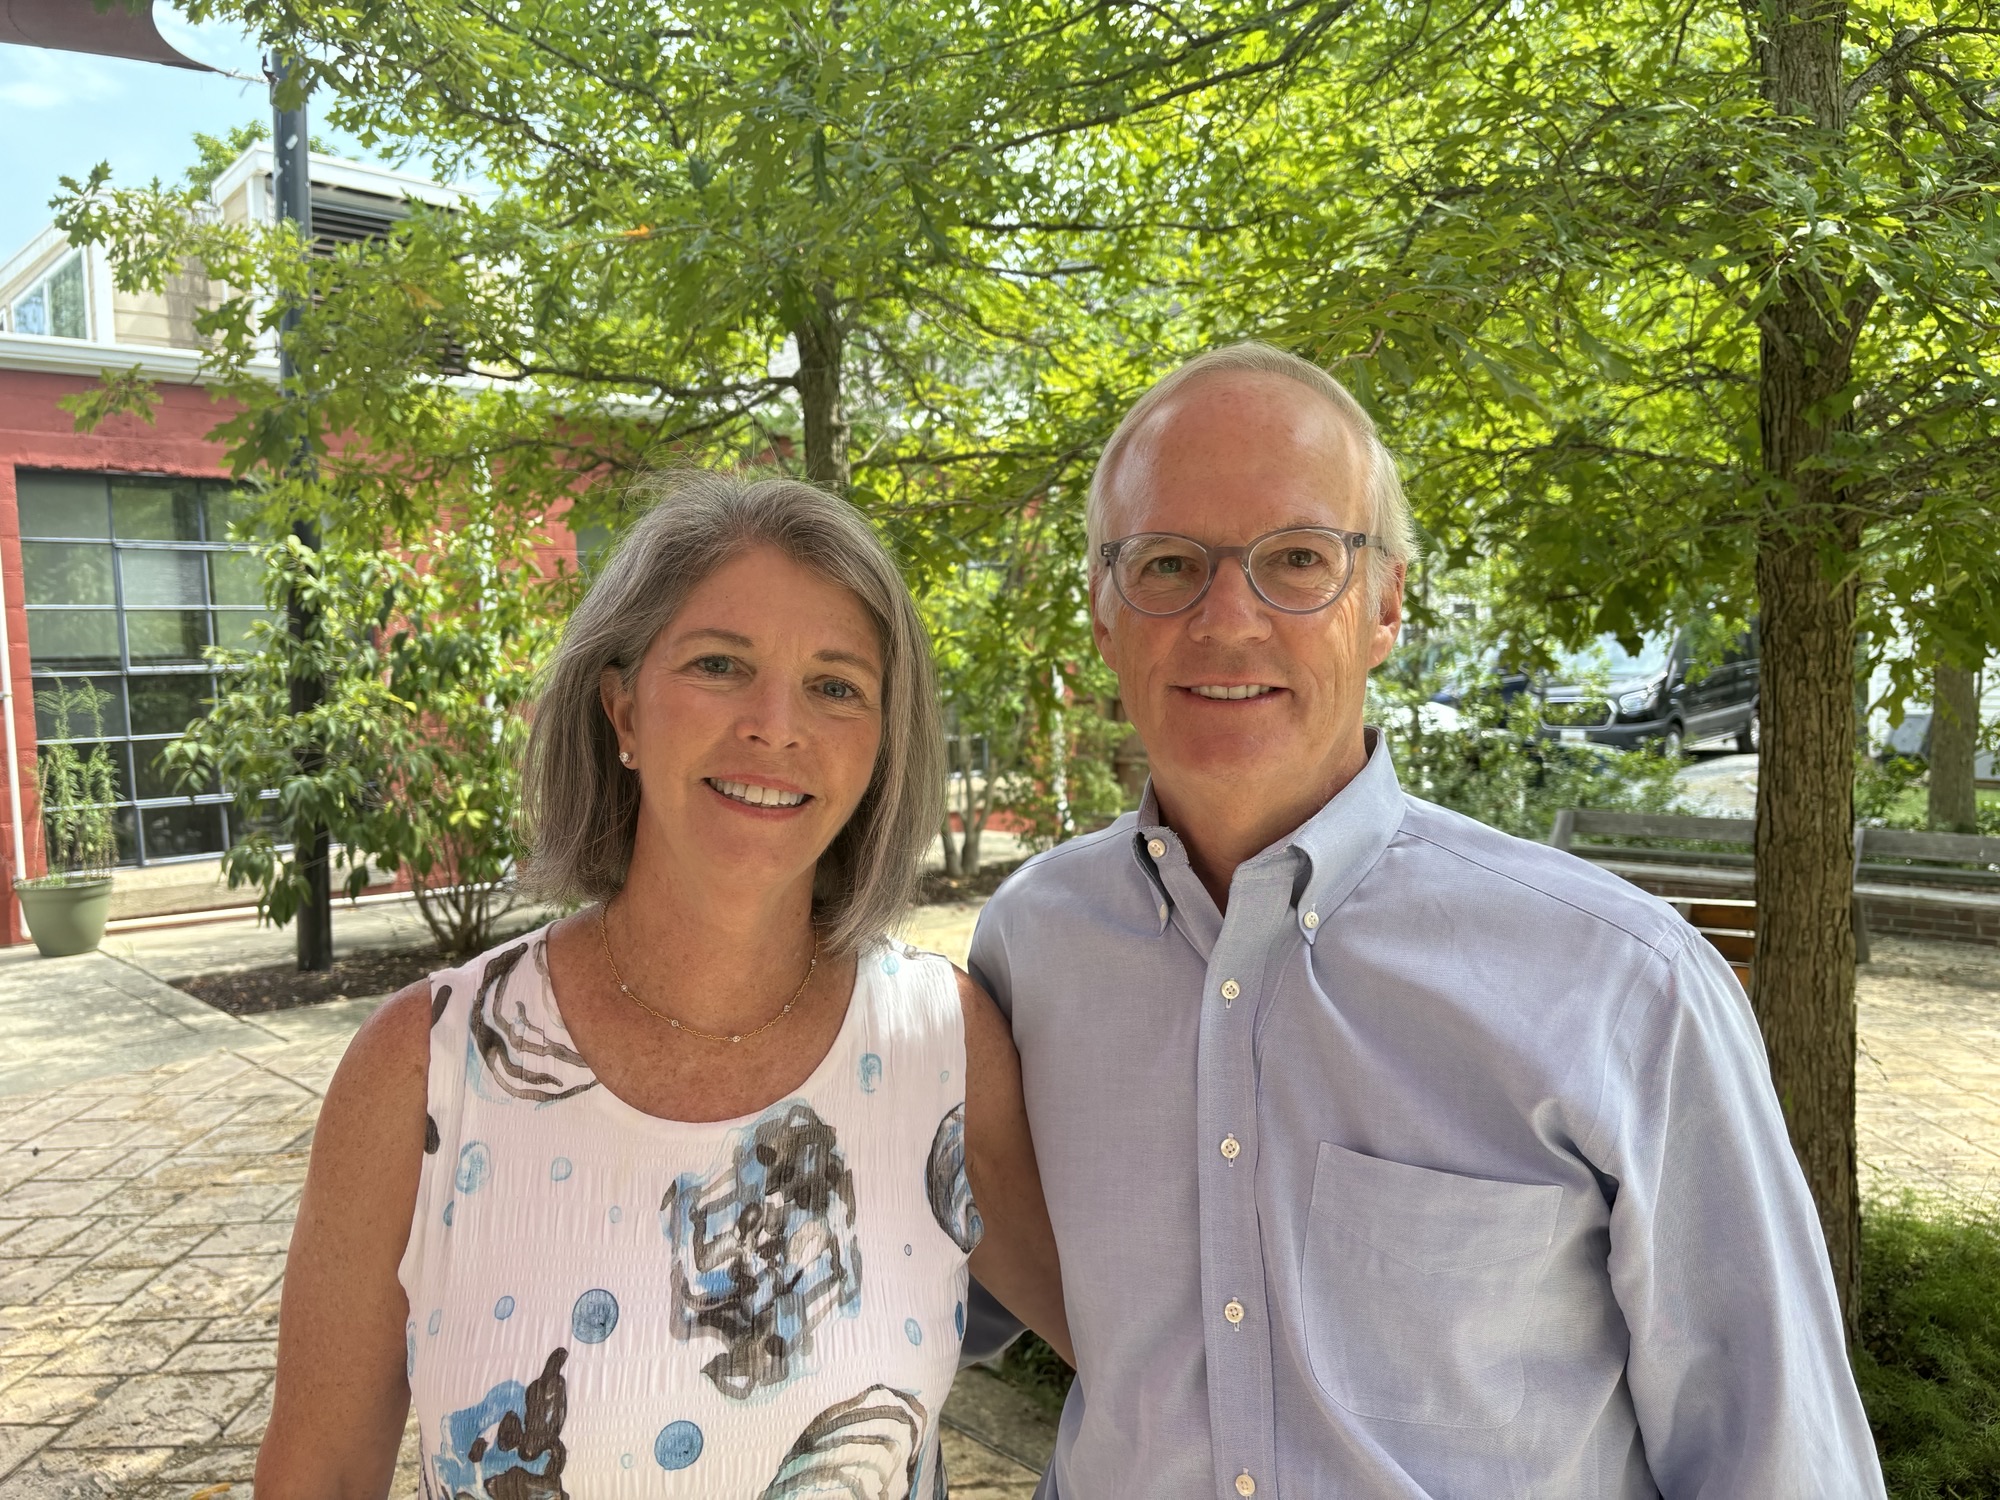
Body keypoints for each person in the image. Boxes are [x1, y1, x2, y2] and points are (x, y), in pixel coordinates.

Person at [966, 342, 1885, 1498]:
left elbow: (1778, 1463)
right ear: (1103, 612)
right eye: (1165, 564)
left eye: (1296, 560)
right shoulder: (1032, 948)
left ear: (1385, 606)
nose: (1228, 619)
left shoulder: (1621, 989)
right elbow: (926, 1298)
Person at [257, 474, 1068, 1498]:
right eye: (719, 665)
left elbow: (1144, 1359)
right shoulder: (424, 1069)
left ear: (879, 744)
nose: (776, 725)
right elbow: (318, 1475)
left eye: (835, 685)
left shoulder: (940, 1044)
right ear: (621, 709)